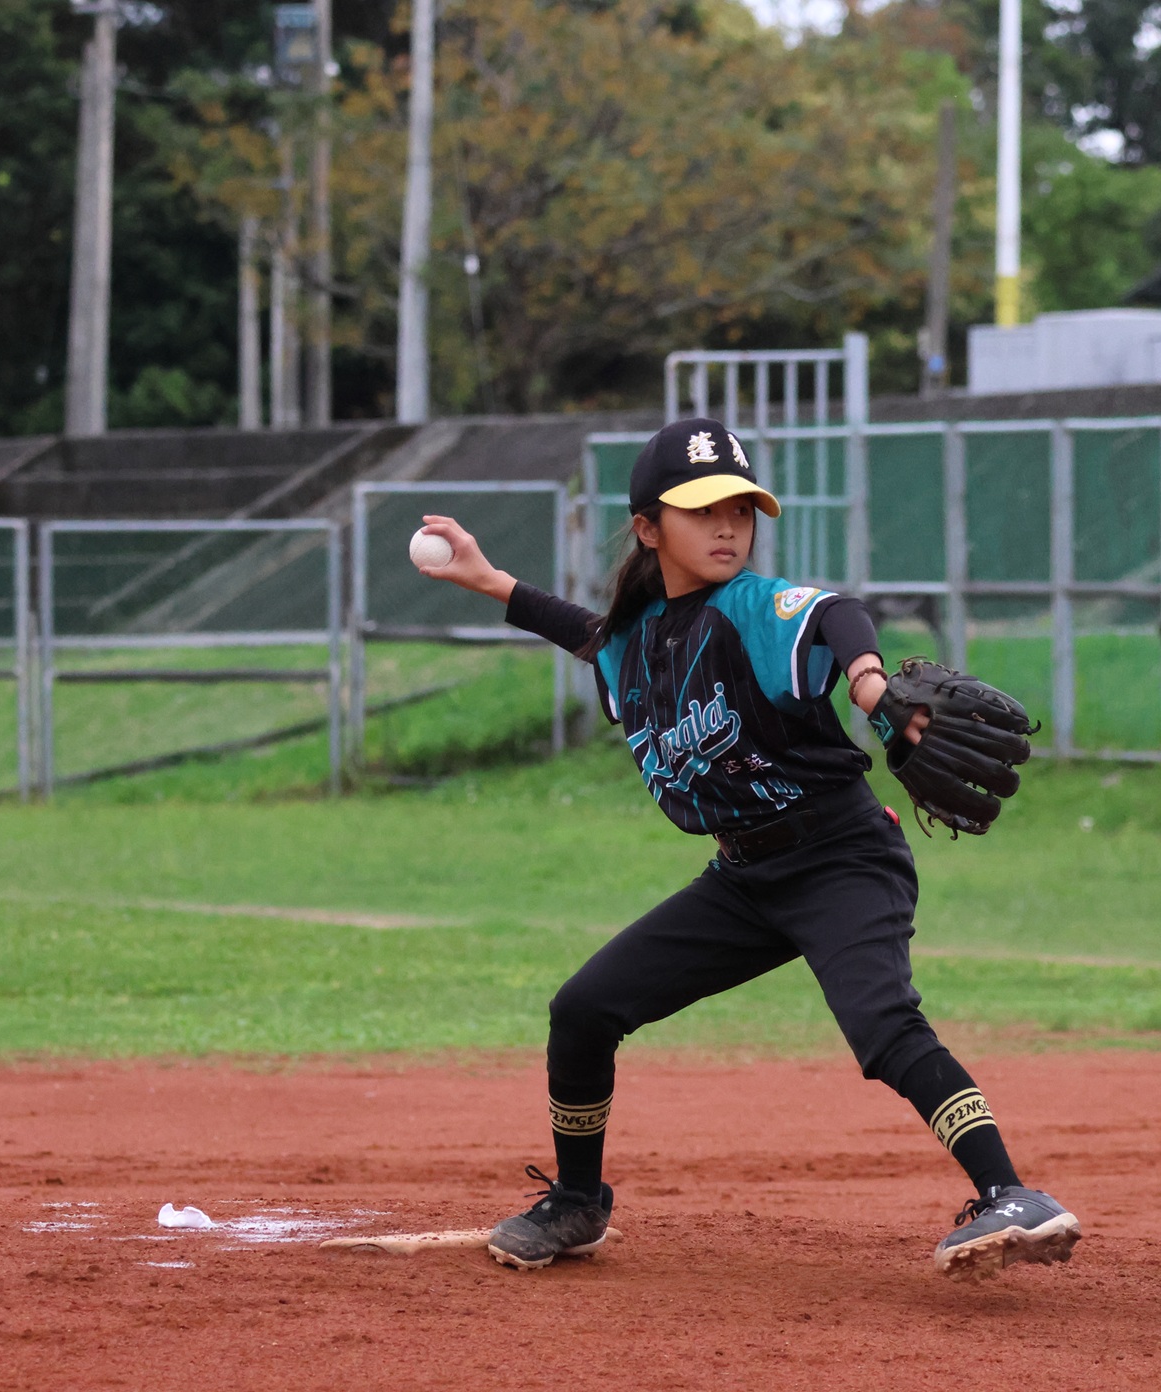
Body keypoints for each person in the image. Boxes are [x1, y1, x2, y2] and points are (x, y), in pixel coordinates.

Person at [413, 417, 1079, 1280]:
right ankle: (577, 1203)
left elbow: (834, 614)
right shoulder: (634, 644)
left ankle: (1010, 1194)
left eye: (739, 509)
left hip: (840, 856)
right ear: (649, 529)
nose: (727, 527)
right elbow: (587, 631)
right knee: (583, 1010)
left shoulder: (752, 609)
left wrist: (869, 681)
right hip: (744, 877)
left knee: (882, 1025)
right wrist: (488, 581)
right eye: (702, 511)